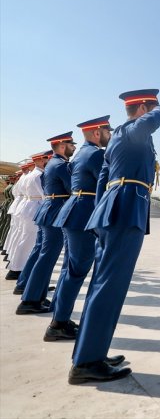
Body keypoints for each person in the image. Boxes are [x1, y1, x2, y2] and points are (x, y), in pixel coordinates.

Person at [69, 89, 160, 384]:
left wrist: (100, 216)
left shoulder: (119, 139)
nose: (154, 109)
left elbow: (101, 181)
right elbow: (155, 119)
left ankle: (90, 353)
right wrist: (159, 106)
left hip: (114, 210)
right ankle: (87, 362)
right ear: (140, 109)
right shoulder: (130, 131)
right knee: (110, 285)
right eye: (149, 105)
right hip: (126, 209)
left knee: (104, 283)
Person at [45, 116, 111, 341]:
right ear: (97, 133)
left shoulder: (83, 153)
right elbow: (108, 181)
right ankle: (58, 324)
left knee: (70, 270)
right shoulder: (96, 154)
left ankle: (59, 317)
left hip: (74, 213)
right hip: (81, 215)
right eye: (107, 131)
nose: (109, 135)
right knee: (76, 271)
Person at [17, 133, 76, 315]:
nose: (74, 147)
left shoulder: (52, 164)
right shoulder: (60, 165)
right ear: (61, 146)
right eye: (70, 144)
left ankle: (35, 295)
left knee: (44, 255)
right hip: (55, 212)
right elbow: (72, 187)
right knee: (47, 257)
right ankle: (30, 300)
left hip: (48, 210)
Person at [6, 153, 48, 281]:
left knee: (24, 239)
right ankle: (17, 270)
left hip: (28, 207)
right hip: (33, 208)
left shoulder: (31, 175)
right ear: (40, 161)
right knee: (28, 242)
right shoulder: (38, 175)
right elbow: (45, 195)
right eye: (47, 159)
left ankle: (17, 268)